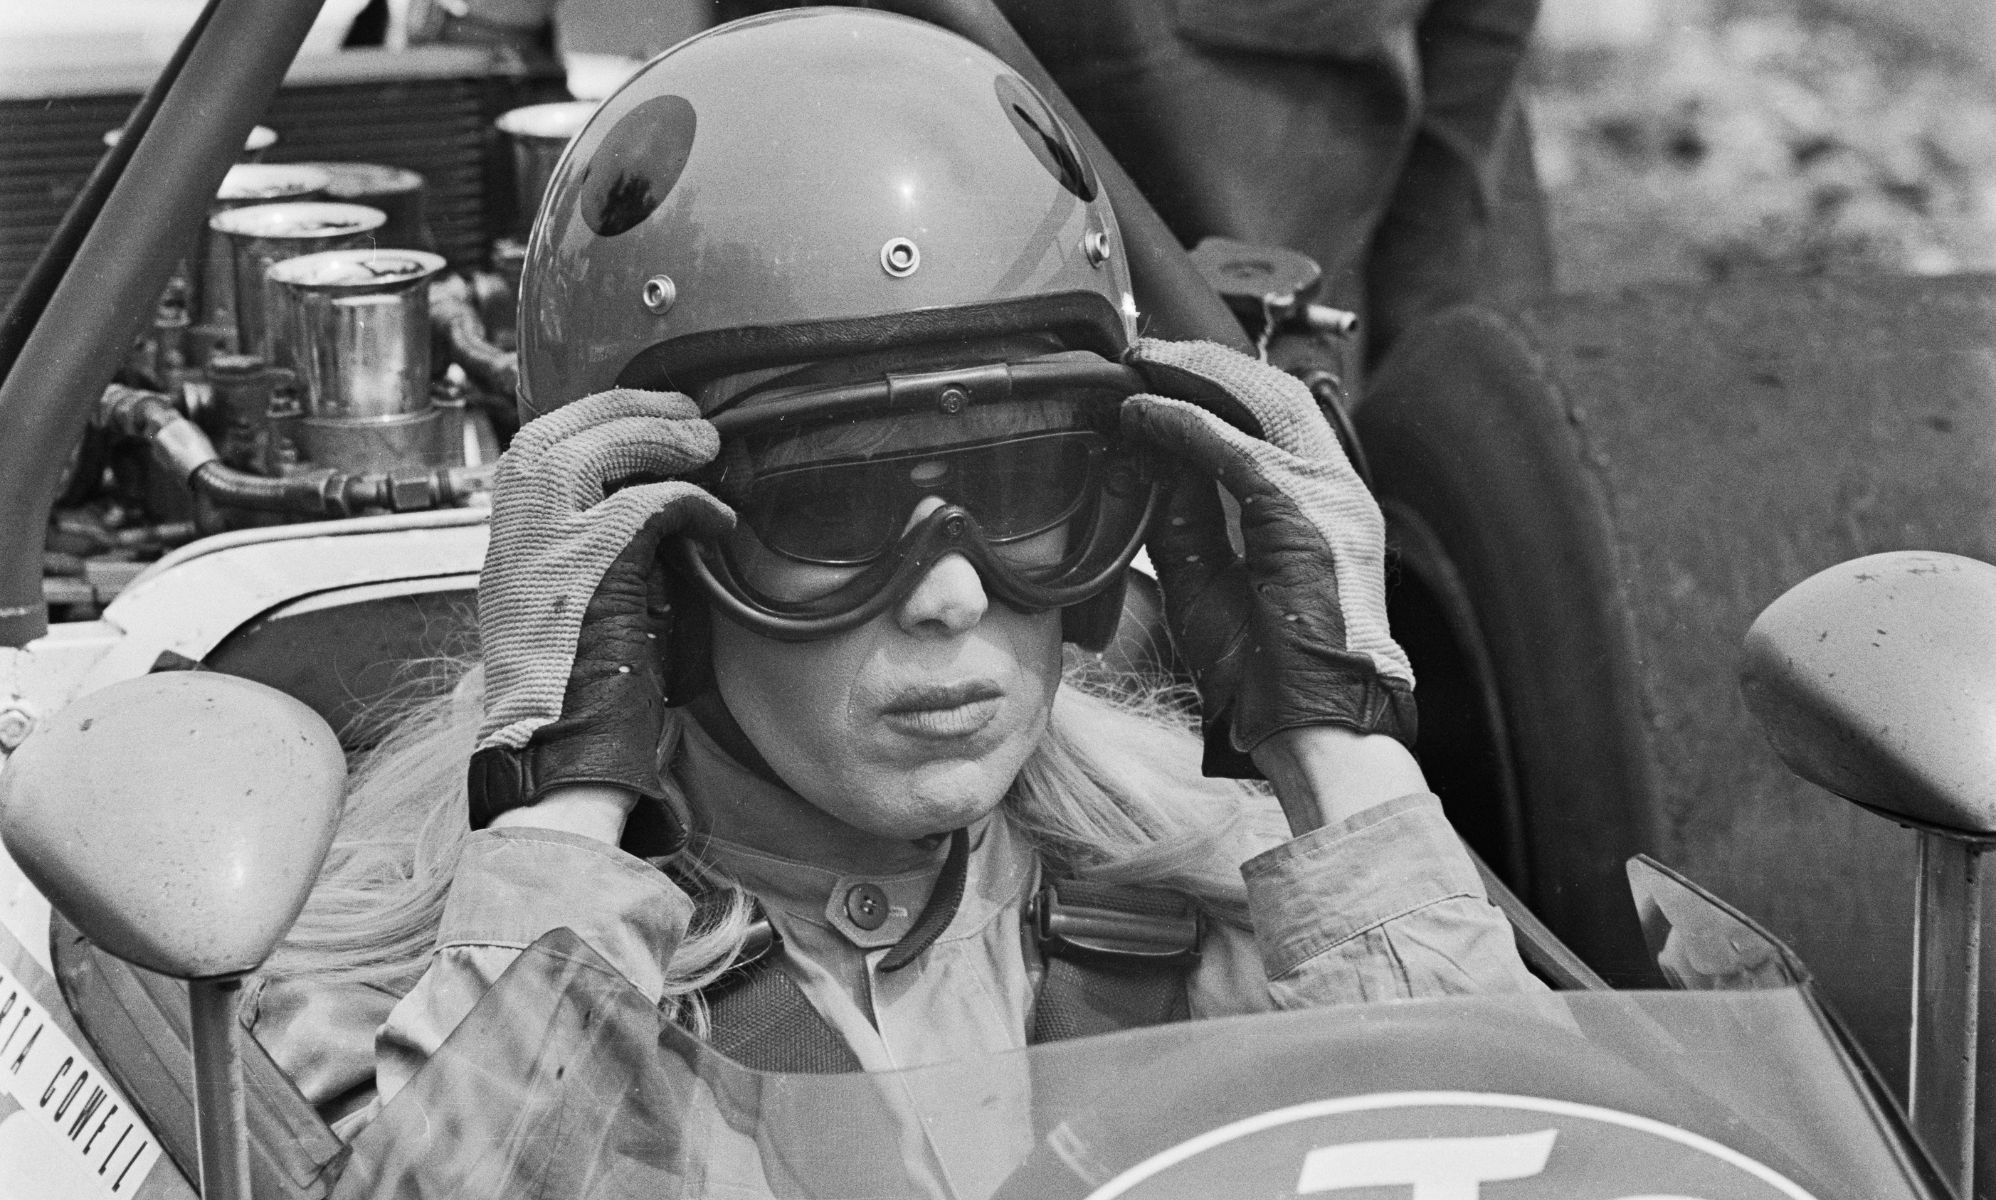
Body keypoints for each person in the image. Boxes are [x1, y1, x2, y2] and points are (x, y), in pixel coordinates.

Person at [243, 6, 1541, 1185]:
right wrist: (567, 799)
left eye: (1026, 484)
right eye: (835, 509)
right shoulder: (396, 986)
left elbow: (1528, 1168)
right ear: (649, 560)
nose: (956, 595)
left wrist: (1334, 750)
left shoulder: (1233, 895)